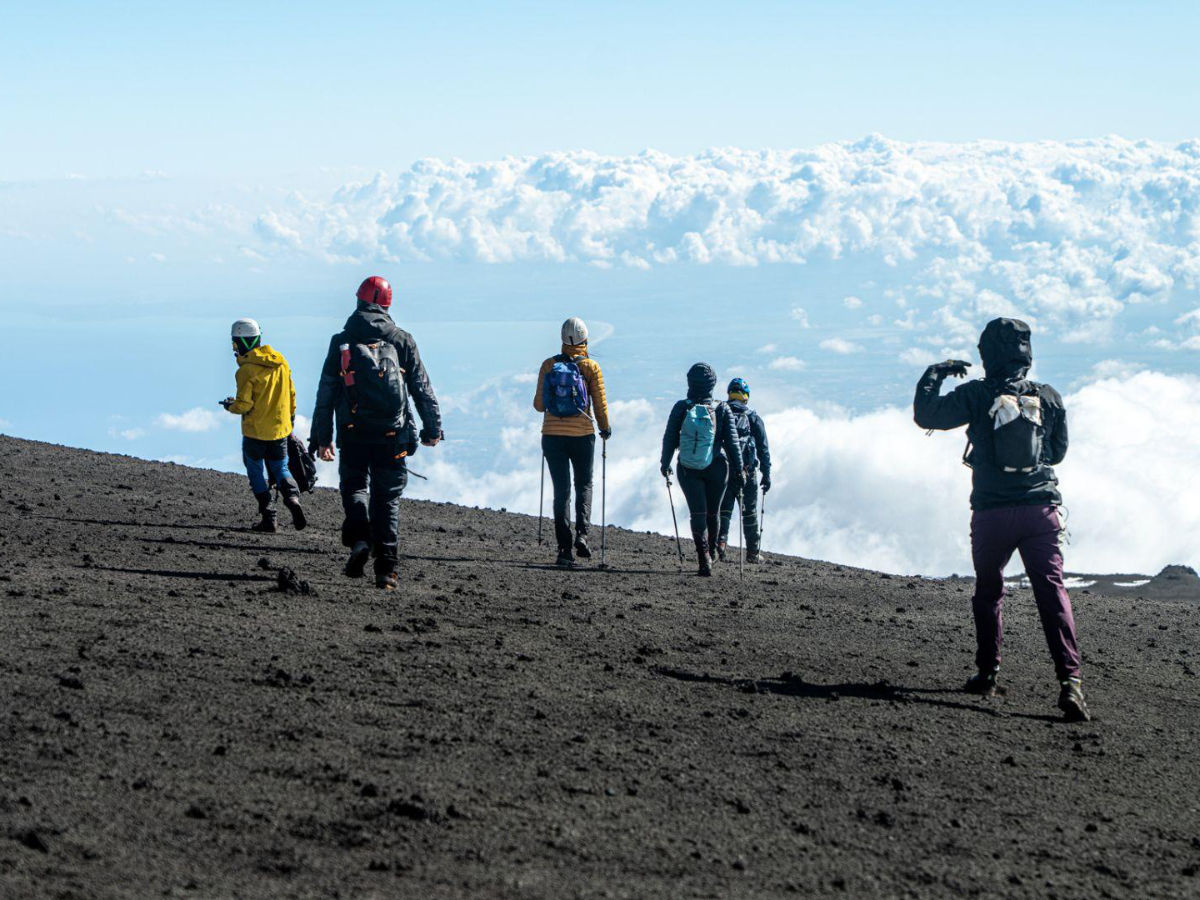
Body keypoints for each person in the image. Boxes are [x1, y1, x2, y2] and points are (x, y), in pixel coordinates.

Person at [913, 317, 1088, 722]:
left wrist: (934, 373)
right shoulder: (1048, 396)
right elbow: (1058, 452)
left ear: (987, 355)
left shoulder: (976, 394)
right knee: (1052, 592)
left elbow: (927, 415)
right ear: (1026, 353)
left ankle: (988, 672)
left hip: (992, 512)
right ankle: (1071, 683)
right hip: (1040, 511)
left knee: (989, 591)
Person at [310, 276, 443, 590]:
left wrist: (322, 437)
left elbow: (326, 391)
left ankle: (359, 538)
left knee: (354, 487)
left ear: (358, 302)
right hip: (392, 435)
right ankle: (386, 570)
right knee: (387, 499)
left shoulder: (341, 341)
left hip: (352, 432)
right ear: (387, 304)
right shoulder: (402, 340)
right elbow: (421, 389)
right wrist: (432, 428)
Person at [532, 317, 611, 568]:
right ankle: (582, 535)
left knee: (561, 492)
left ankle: (564, 550)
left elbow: (539, 405)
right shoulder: (591, 367)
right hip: (582, 435)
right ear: (585, 340)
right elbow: (600, 405)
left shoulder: (548, 365)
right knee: (584, 485)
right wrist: (605, 428)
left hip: (552, 436)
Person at [220, 318, 306, 533]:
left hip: (255, 433)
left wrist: (230, 406)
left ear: (239, 343)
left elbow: (244, 405)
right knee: (281, 467)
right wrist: (290, 420)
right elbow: (291, 394)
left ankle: (269, 517)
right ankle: (293, 499)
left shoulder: (246, 371)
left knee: (255, 470)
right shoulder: (281, 362)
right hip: (279, 430)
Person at [660, 363, 744, 577]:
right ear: (712, 385)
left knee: (697, 513)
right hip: (717, 467)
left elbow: (670, 437)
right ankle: (714, 550)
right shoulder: (722, 409)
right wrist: (739, 470)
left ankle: (703, 556)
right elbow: (732, 443)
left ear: (690, 383)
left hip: (688, 469)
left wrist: (665, 462)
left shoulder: (681, 407)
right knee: (712, 513)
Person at [716, 377, 772, 564]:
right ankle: (752, 554)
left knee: (723, 511)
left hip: (723, 471)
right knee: (749, 513)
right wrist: (767, 473)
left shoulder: (720, 413)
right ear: (746, 396)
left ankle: (720, 547)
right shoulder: (752, 417)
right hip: (748, 473)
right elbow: (763, 448)